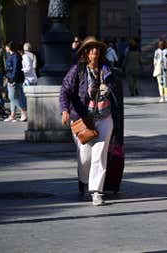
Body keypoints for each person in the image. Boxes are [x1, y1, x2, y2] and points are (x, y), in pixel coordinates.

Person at [59, 36, 124, 206]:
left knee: (99, 154)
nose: (95, 52)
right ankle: (85, 182)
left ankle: (96, 191)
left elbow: (117, 92)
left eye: (98, 50)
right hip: (83, 119)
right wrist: (65, 110)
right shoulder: (78, 70)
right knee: (85, 156)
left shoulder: (107, 70)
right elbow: (65, 90)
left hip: (105, 117)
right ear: (87, 53)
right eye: (92, 50)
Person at [4, 41, 27, 122]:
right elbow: (8, 69)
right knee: (12, 97)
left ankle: (24, 111)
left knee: (13, 97)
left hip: (15, 80)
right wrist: (7, 78)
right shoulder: (9, 55)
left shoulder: (15, 56)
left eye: (6, 46)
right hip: (10, 78)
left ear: (9, 47)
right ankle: (13, 115)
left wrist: (13, 80)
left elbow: (15, 69)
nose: (5, 48)